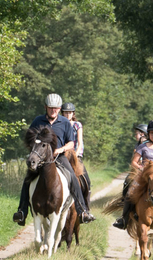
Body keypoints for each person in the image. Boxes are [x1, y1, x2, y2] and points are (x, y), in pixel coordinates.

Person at [12, 94, 96, 226]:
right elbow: (30, 138)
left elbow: (71, 143)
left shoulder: (65, 122)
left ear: (59, 108)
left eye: (56, 108)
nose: (54, 111)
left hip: (59, 156)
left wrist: (60, 150)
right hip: (41, 158)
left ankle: (82, 211)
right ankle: (22, 212)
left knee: (73, 177)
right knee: (28, 179)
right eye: (51, 108)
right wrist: (35, 152)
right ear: (46, 107)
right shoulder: (38, 121)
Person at [61, 102, 91, 209]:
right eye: (65, 112)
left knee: (86, 180)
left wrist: (76, 155)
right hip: (62, 155)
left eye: (70, 112)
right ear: (62, 113)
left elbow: (79, 142)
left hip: (75, 156)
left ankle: (86, 208)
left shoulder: (77, 125)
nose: (68, 114)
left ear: (73, 113)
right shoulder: (60, 124)